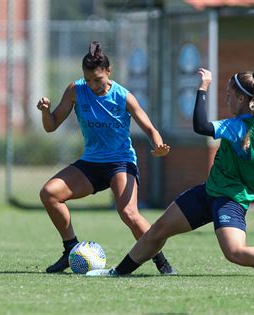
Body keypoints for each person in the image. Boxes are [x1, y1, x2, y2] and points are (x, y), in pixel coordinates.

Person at [86, 67, 254, 278]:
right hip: (210, 191)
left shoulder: (237, 126)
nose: (226, 99)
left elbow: (201, 126)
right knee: (158, 229)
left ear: (241, 99)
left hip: (231, 199)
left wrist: (202, 88)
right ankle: (117, 273)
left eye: (228, 95)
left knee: (235, 252)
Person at [37, 41, 176, 275]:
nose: (92, 85)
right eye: (88, 80)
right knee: (49, 194)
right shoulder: (75, 90)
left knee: (129, 213)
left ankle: (161, 262)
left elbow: (150, 128)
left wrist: (159, 145)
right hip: (91, 163)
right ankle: (70, 250)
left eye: (98, 80)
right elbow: (51, 126)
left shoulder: (123, 96)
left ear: (109, 72)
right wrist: (44, 112)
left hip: (120, 162)